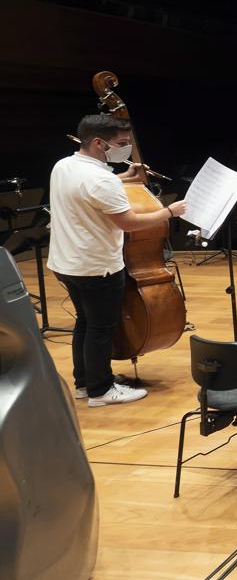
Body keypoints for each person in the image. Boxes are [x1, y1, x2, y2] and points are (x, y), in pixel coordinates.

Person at [48, 114, 188, 407]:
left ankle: (85, 384)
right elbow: (129, 223)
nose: (125, 149)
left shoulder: (65, 165)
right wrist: (170, 212)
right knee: (101, 328)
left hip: (66, 263)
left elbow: (92, 190)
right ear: (99, 143)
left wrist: (124, 178)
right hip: (97, 266)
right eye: (121, 144)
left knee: (85, 324)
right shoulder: (101, 180)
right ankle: (101, 390)